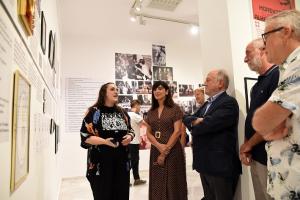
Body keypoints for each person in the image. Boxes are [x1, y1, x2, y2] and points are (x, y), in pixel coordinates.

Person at [252, 10, 300, 199]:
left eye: (266, 36)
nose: (264, 44)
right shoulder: (287, 69)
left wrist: (269, 122)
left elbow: (261, 122)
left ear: (286, 31)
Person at [183, 69, 241, 200]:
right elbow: (187, 119)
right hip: (205, 164)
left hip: (219, 166)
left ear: (220, 83)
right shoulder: (207, 104)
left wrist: (199, 124)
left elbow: (208, 125)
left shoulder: (229, 102)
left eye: (208, 80)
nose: (204, 83)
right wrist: (196, 122)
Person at [80, 82, 135, 200]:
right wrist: (104, 142)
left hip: (121, 164)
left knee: (121, 195)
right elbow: (85, 136)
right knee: (103, 195)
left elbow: (131, 130)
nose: (116, 91)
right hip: (100, 165)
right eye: (112, 89)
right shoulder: (94, 112)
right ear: (104, 93)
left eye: (117, 89)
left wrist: (130, 136)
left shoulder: (122, 112)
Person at [240, 38, 279, 200]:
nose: (245, 59)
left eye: (248, 53)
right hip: (256, 153)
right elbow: (252, 119)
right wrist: (246, 145)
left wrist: (248, 144)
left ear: (263, 50)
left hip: (271, 156)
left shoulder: (278, 75)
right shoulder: (257, 86)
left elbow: (273, 121)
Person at [144, 81, 187, 200]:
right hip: (156, 150)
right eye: (154, 89)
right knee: (157, 181)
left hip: (173, 150)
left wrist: (165, 150)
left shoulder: (175, 109)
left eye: (160, 88)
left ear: (167, 91)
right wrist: (158, 146)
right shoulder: (151, 111)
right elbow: (148, 132)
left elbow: (177, 131)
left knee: (173, 183)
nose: (157, 91)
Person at [128, 100, 147, 186]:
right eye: (139, 106)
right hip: (134, 142)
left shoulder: (127, 114)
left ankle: (135, 179)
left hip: (128, 142)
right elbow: (146, 124)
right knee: (134, 161)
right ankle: (136, 179)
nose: (140, 108)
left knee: (129, 161)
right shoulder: (135, 115)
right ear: (136, 105)